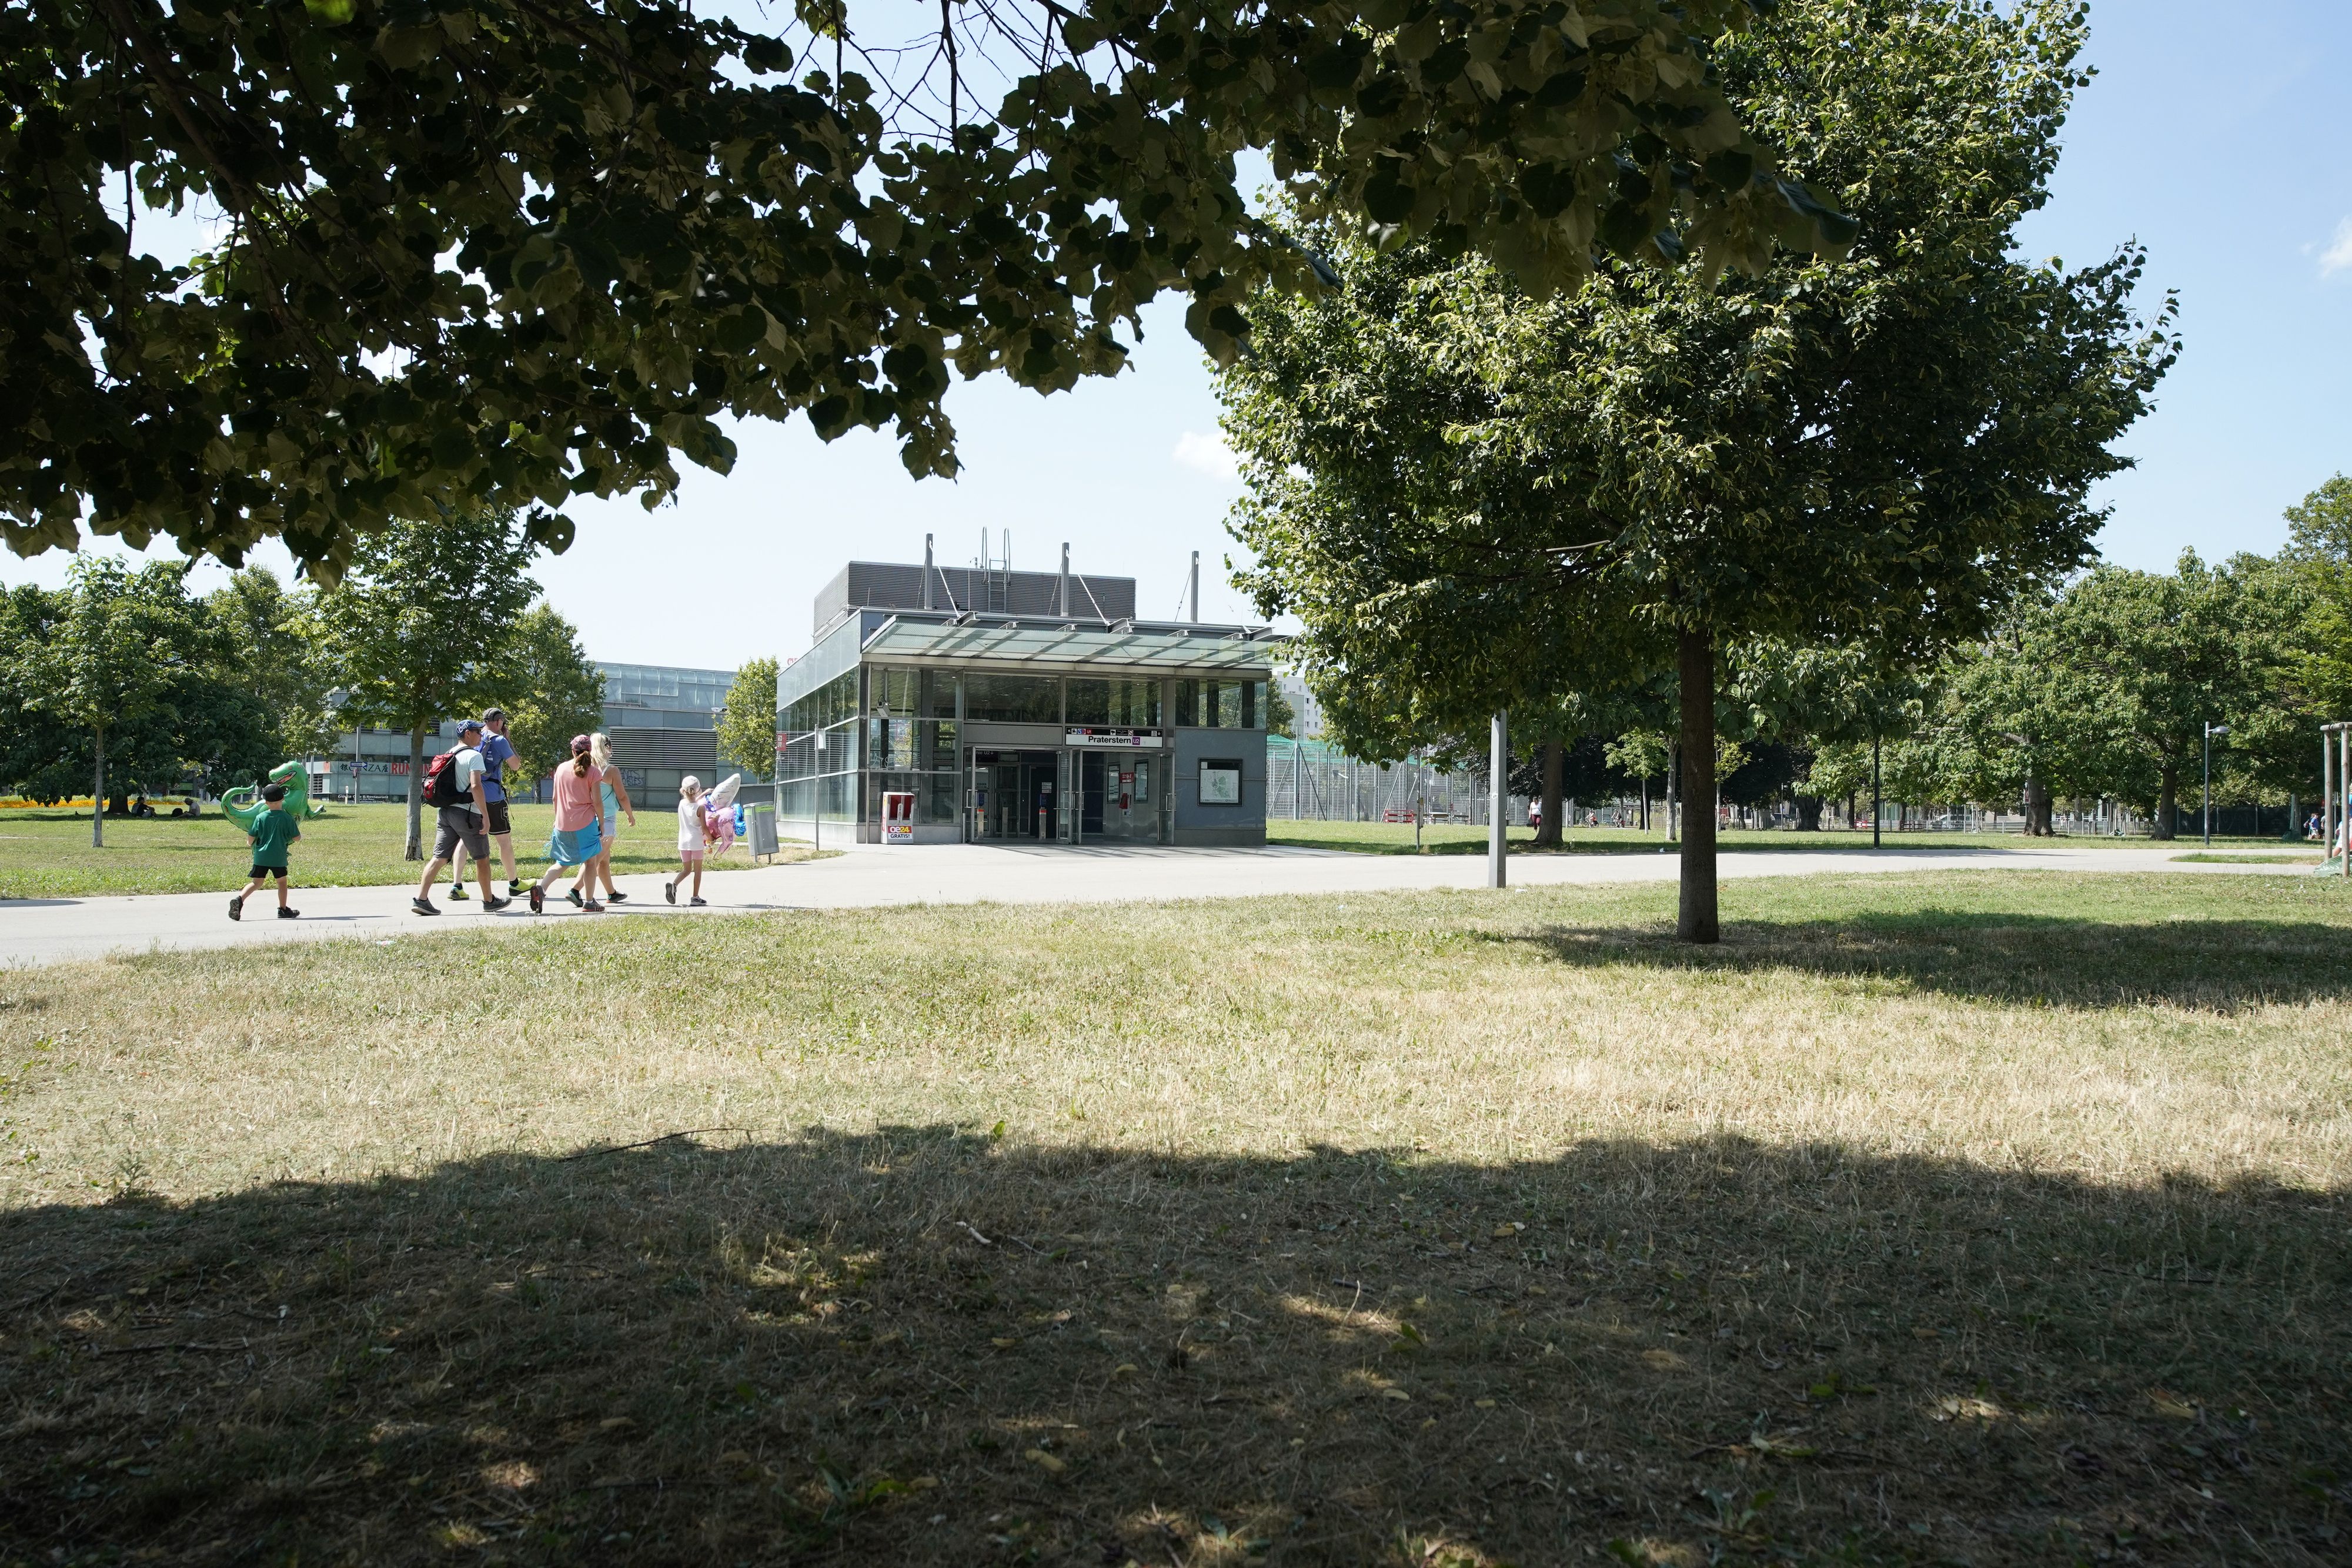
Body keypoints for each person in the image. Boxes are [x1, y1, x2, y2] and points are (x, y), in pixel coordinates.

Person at [413, 720, 509, 916]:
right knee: (482, 858)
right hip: (467, 813)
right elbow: (476, 786)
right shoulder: (474, 756)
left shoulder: (450, 753)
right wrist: (485, 815)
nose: (481, 736)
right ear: (467, 734)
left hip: (446, 812)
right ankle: (489, 901)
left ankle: (421, 899)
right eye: (478, 732)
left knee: (439, 857)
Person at [447, 707, 523, 901]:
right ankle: (514, 883)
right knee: (504, 842)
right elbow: (516, 765)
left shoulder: (474, 739)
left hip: (471, 797)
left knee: (465, 840)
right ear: (499, 722)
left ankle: (457, 885)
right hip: (492, 797)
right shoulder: (499, 740)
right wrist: (508, 740)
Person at [530, 735, 604, 913]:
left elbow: (555, 798)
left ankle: (542, 888)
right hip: (585, 824)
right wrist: (602, 823)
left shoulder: (561, 768)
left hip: (562, 824)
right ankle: (589, 901)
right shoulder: (593, 772)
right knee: (590, 862)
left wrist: (558, 819)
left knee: (562, 862)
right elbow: (598, 802)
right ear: (590, 751)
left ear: (573, 750)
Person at [566, 733, 637, 907]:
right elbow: (622, 796)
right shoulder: (610, 770)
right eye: (610, 745)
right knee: (595, 859)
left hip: (589, 818)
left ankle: (611, 893)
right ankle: (575, 890)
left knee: (604, 859)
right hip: (607, 819)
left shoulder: (585, 768)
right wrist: (630, 814)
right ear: (605, 747)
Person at [228, 781, 300, 921]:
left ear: (265, 802)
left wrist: (249, 843)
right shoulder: (287, 818)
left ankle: (239, 899)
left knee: (257, 883)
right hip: (278, 857)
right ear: (283, 799)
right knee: (282, 883)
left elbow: (251, 836)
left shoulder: (260, 817)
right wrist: (300, 836)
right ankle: (283, 910)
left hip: (261, 856)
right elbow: (296, 838)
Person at [666, 775, 711, 905]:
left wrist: (702, 794)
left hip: (683, 842)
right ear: (698, 790)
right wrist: (711, 838)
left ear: (683, 791)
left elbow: (691, 802)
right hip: (696, 842)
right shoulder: (701, 808)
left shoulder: (681, 804)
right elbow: (704, 827)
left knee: (686, 870)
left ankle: (674, 885)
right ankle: (695, 897)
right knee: (698, 871)